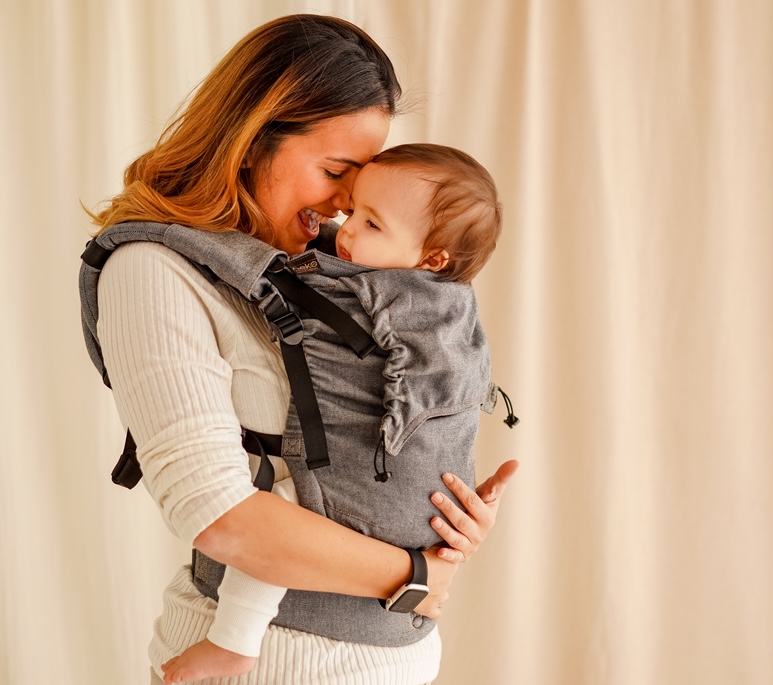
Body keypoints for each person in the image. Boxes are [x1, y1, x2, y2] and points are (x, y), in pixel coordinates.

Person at [86, 14, 518, 685]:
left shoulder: (339, 272)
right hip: (268, 663)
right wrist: (415, 573)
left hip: (395, 658)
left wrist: (442, 510)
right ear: (251, 140)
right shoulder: (154, 271)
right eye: (336, 170)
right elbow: (218, 514)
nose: (346, 204)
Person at [159, 142, 507, 683]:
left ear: (432, 259)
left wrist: (165, 232)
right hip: (423, 540)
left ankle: (233, 641)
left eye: (371, 223)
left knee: (278, 515)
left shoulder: (400, 300)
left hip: (392, 494)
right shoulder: (448, 303)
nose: (344, 229)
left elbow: (266, 272)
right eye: (353, 213)